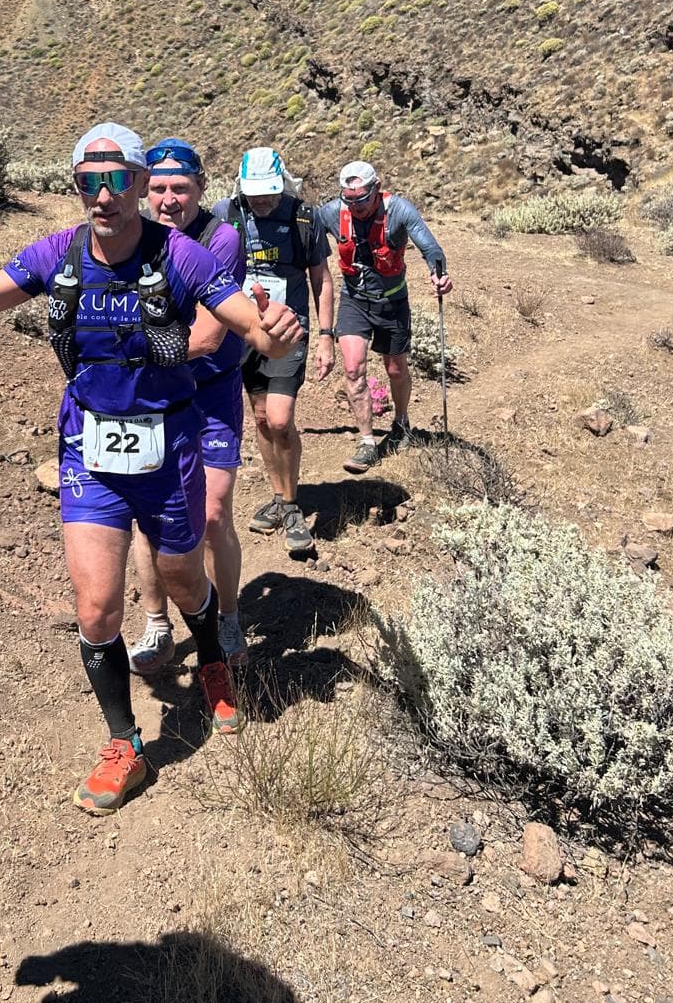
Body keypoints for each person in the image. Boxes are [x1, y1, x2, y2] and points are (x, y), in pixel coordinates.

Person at [0, 123, 303, 816]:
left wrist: (265, 329)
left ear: (135, 181)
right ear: (76, 187)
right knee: (96, 607)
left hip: (170, 446)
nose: (105, 195)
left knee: (186, 576)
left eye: (118, 179)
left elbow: (235, 316)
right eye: (89, 181)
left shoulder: (179, 254)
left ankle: (212, 660)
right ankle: (123, 744)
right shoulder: (56, 254)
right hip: (88, 449)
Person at [127, 137, 249, 674]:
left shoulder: (221, 240)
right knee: (144, 515)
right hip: (151, 395)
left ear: (201, 189)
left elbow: (203, 337)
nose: (169, 199)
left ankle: (226, 615)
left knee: (214, 511)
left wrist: (123, 348)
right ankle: (157, 623)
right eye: (158, 188)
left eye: (180, 188)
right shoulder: (127, 239)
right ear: (142, 190)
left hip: (209, 392)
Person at [212, 147, 335, 555]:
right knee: (262, 419)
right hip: (242, 332)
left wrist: (326, 336)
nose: (261, 201)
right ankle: (281, 497)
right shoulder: (227, 213)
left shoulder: (303, 218)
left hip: (287, 331)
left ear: (283, 183)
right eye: (254, 193)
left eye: (269, 192)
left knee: (280, 419)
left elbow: (322, 279)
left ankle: (292, 504)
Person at [315, 159, 452, 474]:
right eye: (349, 200)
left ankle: (401, 423)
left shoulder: (399, 211)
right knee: (353, 369)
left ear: (376, 189)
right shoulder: (334, 212)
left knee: (395, 368)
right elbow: (307, 230)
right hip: (354, 300)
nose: (356, 206)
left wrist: (439, 274)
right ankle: (366, 443)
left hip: (392, 302)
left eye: (362, 199)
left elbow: (431, 248)